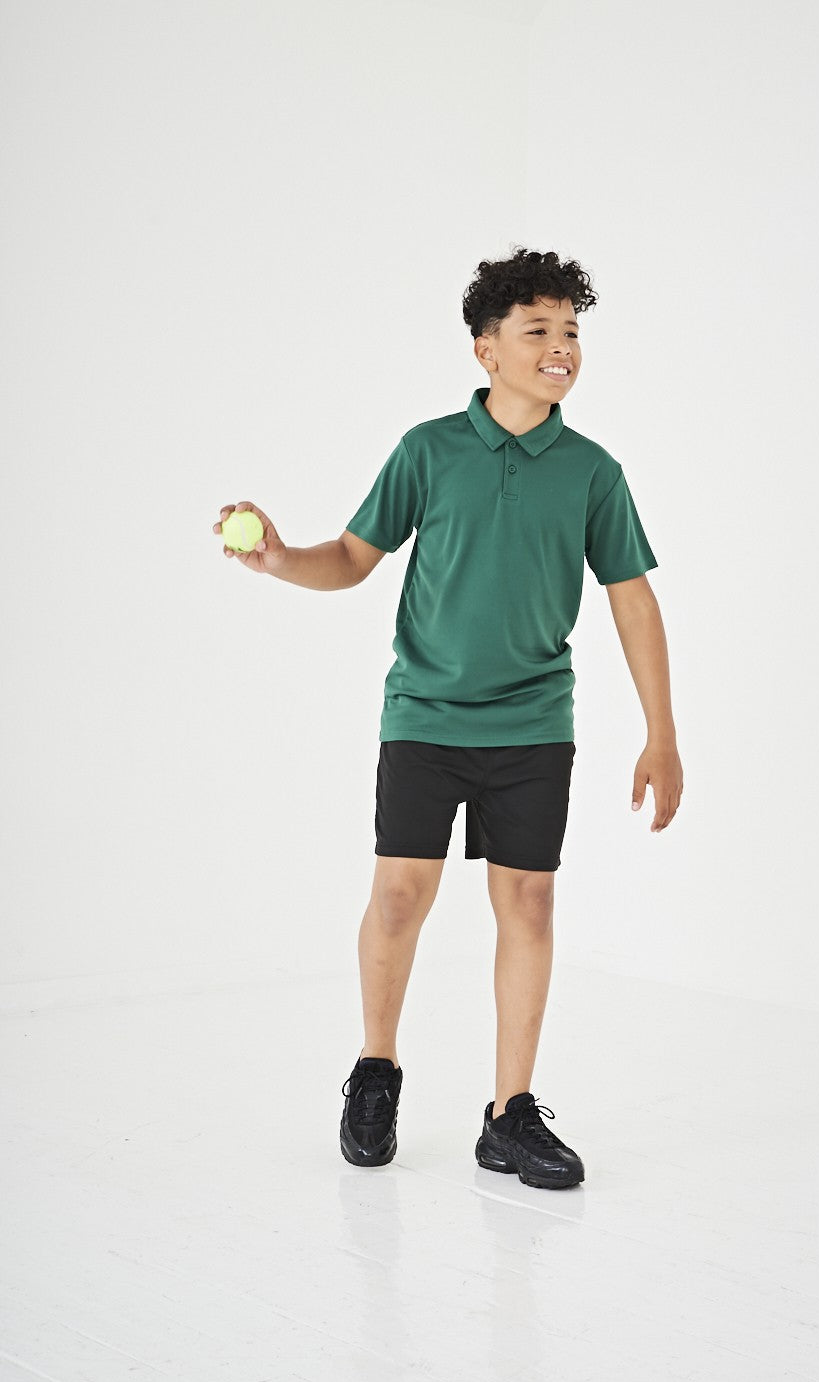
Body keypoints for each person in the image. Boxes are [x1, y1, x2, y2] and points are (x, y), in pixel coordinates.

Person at [212, 247, 683, 1190]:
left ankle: (510, 1114)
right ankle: (375, 1070)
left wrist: (660, 733)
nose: (560, 347)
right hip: (423, 715)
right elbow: (353, 559)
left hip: (534, 722)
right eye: (537, 330)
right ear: (485, 349)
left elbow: (631, 597)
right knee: (398, 897)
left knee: (529, 902)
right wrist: (280, 559)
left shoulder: (592, 471)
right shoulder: (427, 451)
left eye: (571, 331)